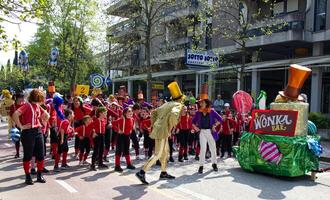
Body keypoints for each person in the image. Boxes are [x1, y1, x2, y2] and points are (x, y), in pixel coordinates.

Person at [136, 81, 185, 185]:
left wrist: (154, 125)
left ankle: (163, 172)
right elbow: (173, 115)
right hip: (163, 130)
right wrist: (173, 126)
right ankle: (142, 172)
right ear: (180, 98)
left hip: (161, 129)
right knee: (158, 154)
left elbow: (153, 112)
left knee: (165, 151)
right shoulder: (178, 105)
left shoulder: (167, 104)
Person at [12, 89, 50, 185]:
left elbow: (47, 115)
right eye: (41, 97)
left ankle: (39, 175)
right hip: (28, 132)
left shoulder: (37, 105)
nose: (43, 99)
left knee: (41, 155)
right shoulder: (27, 106)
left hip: (38, 131)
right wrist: (21, 126)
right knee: (28, 156)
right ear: (37, 97)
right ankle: (28, 176)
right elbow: (15, 114)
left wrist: (43, 120)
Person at [192, 84, 223, 174]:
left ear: (206, 103)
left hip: (210, 132)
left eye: (202, 102)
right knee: (203, 149)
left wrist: (214, 125)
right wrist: (196, 127)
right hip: (202, 132)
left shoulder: (212, 111)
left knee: (213, 148)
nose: (200, 103)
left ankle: (214, 164)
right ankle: (201, 166)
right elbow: (192, 122)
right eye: (200, 102)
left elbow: (220, 119)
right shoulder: (198, 112)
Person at [112, 107, 136, 172]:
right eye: (129, 111)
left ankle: (129, 164)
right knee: (119, 151)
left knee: (126, 150)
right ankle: (117, 166)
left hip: (127, 136)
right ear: (125, 113)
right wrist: (118, 130)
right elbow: (113, 123)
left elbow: (132, 126)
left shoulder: (132, 119)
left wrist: (131, 130)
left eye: (131, 111)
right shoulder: (121, 119)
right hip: (121, 136)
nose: (131, 112)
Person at [9, 92, 25, 158]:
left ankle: (25, 152)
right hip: (16, 125)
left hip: (24, 124)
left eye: (23, 98)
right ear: (17, 98)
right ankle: (17, 153)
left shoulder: (25, 105)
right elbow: (11, 116)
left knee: (24, 140)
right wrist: (13, 125)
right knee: (17, 139)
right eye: (21, 98)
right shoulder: (13, 106)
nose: (22, 99)